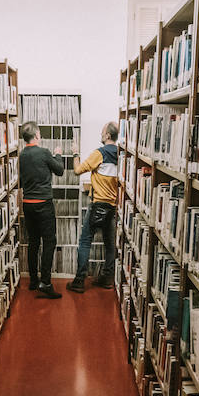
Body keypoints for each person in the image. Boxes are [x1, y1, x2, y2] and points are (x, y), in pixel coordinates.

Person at [67, 121, 120, 293]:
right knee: (110, 244)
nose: (101, 134)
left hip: (97, 205)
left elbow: (78, 170)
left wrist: (75, 153)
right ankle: (107, 278)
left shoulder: (100, 153)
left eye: (102, 131)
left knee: (85, 241)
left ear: (107, 136)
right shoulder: (122, 154)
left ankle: (79, 281)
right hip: (112, 207)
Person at [19, 121, 64, 299]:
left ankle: (32, 280)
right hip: (44, 203)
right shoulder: (44, 152)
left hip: (28, 203)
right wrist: (58, 155)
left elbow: (21, 181)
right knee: (49, 241)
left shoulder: (22, 155)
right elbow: (59, 170)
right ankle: (45, 283)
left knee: (33, 242)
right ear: (37, 135)